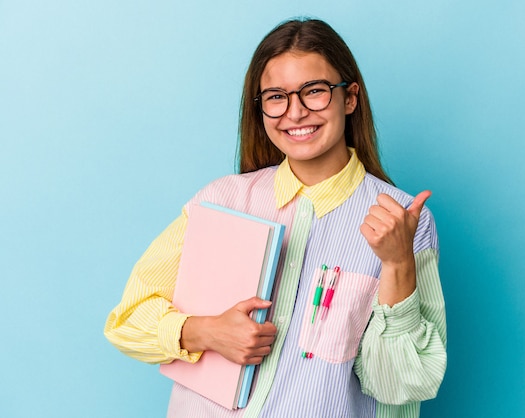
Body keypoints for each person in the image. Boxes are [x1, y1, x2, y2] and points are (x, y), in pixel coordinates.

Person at [104, 17, 446, 418]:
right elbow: (127, 319)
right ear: (261, 107)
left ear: (349, 98)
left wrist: (397, 262)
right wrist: (206, 331)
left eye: (314, 91)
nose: (295, 113)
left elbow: (400, 385)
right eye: (276, 97)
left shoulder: (404, 221)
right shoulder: (221, 200)